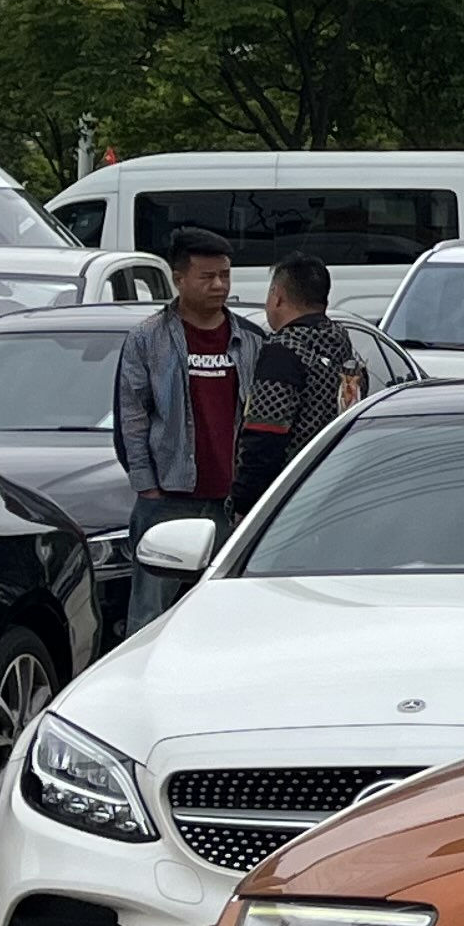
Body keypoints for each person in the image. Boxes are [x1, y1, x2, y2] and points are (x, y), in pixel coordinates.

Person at [112, 227, 264, 632]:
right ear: (179, 279)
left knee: (229, 612)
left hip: (233, 503)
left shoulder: (249, 339)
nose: (219, 285)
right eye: (207, 276)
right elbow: (132, 416)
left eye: (225, 275)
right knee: (150, 616)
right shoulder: (148, 338)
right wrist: (148, 487)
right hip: (168, 499)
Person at [230, 254, 365, 524]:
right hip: (333, 485)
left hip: (287, 497)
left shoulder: (283, 350)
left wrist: (244, 501)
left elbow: (266, 434)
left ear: (277, 296)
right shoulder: (341, 343)